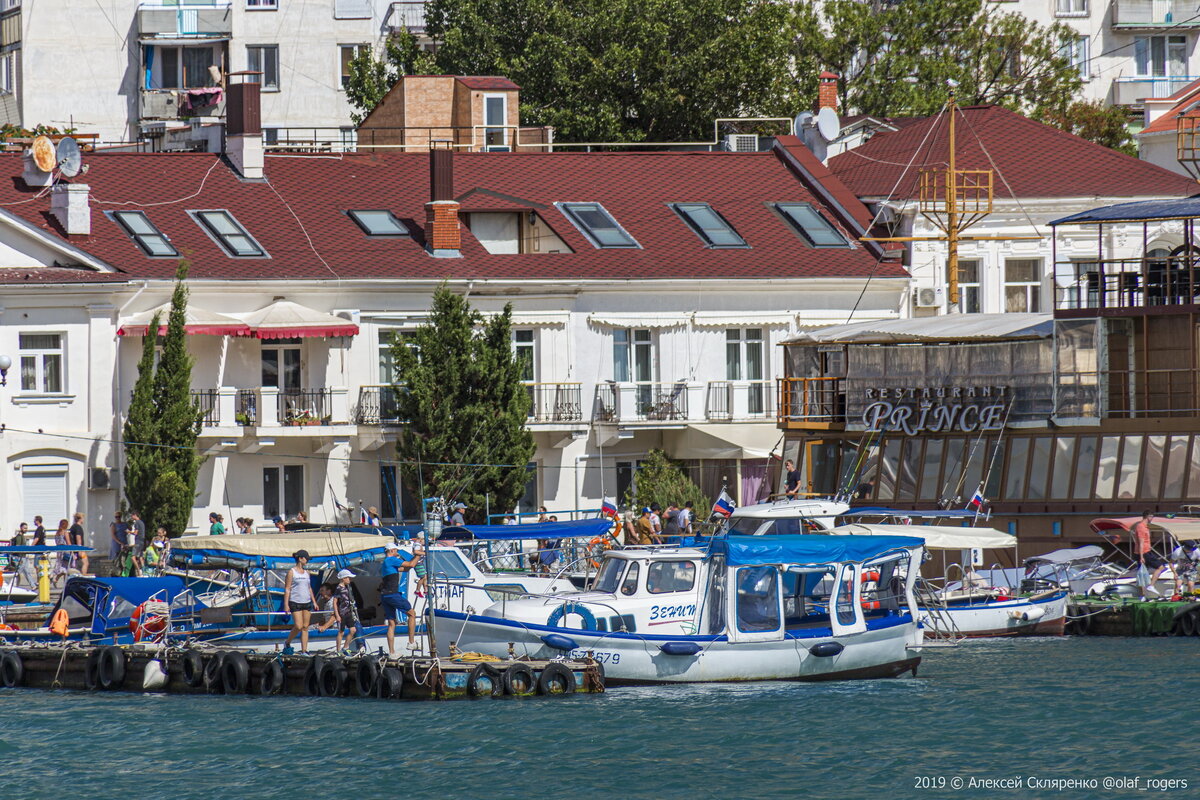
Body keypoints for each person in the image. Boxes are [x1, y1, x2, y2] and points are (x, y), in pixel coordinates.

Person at [379, 541, 421, 656]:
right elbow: (411, 565)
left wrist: (415, 559)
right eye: (396, 551)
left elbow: (406, 569)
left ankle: (392, 652)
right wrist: (418, 555)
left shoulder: (386, 563)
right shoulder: (391, 559)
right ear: (391, 551)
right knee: (412, 613)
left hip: (385, 596)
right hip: (393, 595)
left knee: (392, 624)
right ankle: (411, 642)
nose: (397, 553)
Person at [283, 550, 317, 655]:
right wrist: (286, 604)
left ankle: (304, 650)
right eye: (306, 558)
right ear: (300, 558)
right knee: (298, 625)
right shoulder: (291, 572)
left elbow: (309, 588)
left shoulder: (307, 573)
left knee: (305, 626)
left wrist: (314, 601)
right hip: (295, 601)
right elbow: (287, 589)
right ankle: (287, 642)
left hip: (306, 601)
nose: (307, 561)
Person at [320, 569, 362, 654]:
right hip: (342, 613)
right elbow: (335, 602)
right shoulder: (339, 589)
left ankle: (345, 647)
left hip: (348, 612)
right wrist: (337, 615)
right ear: (343, 578)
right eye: (348, 578)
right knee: (341, 632)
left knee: (353, 630)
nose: (349, 580)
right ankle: (338, 649)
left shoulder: (347, 588)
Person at [1133, 510, 1170, 599]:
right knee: (1160, 567)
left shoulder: (1144, 527)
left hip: (1144, 551)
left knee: (1141, 573)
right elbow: (1141, 542)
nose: (1152, 518)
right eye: (1152, 516)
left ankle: (1142, 596)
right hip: (1144, 552)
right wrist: (1142, 556)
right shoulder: (1141, 527)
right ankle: (1151, 586)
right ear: (1148, 516)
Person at [127, 511, 146, 576]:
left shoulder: (137, 522)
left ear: (135, 515)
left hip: (138, 541)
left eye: (132, 515)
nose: (131, 517)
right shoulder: (142, 522)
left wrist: (129, 532)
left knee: (133, 557)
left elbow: (135, 533)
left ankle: (138, 571)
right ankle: (144, 571)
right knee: (140, 557)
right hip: (142, 541)